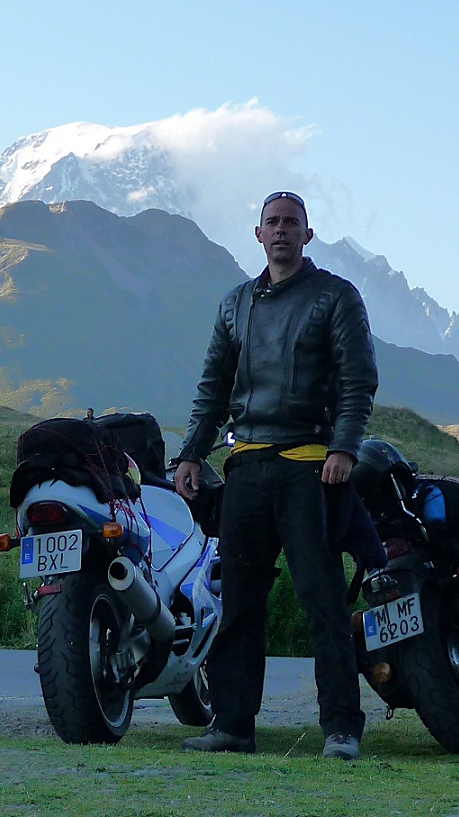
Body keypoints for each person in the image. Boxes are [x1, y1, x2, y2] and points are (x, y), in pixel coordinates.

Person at [173, 190, 378, 762]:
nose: (282, 231)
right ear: (258, 234)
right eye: (272, 223)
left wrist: (344, 448)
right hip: (246, 467)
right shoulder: (234, 304)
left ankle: (341, 727)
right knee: (237, 602)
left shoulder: (336, 296)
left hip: (310, 467)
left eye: (292, 223)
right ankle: (233, 724)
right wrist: (191, 453)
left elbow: (357, 383)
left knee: (322, 599)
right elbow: (212, 390)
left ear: (307, 235)